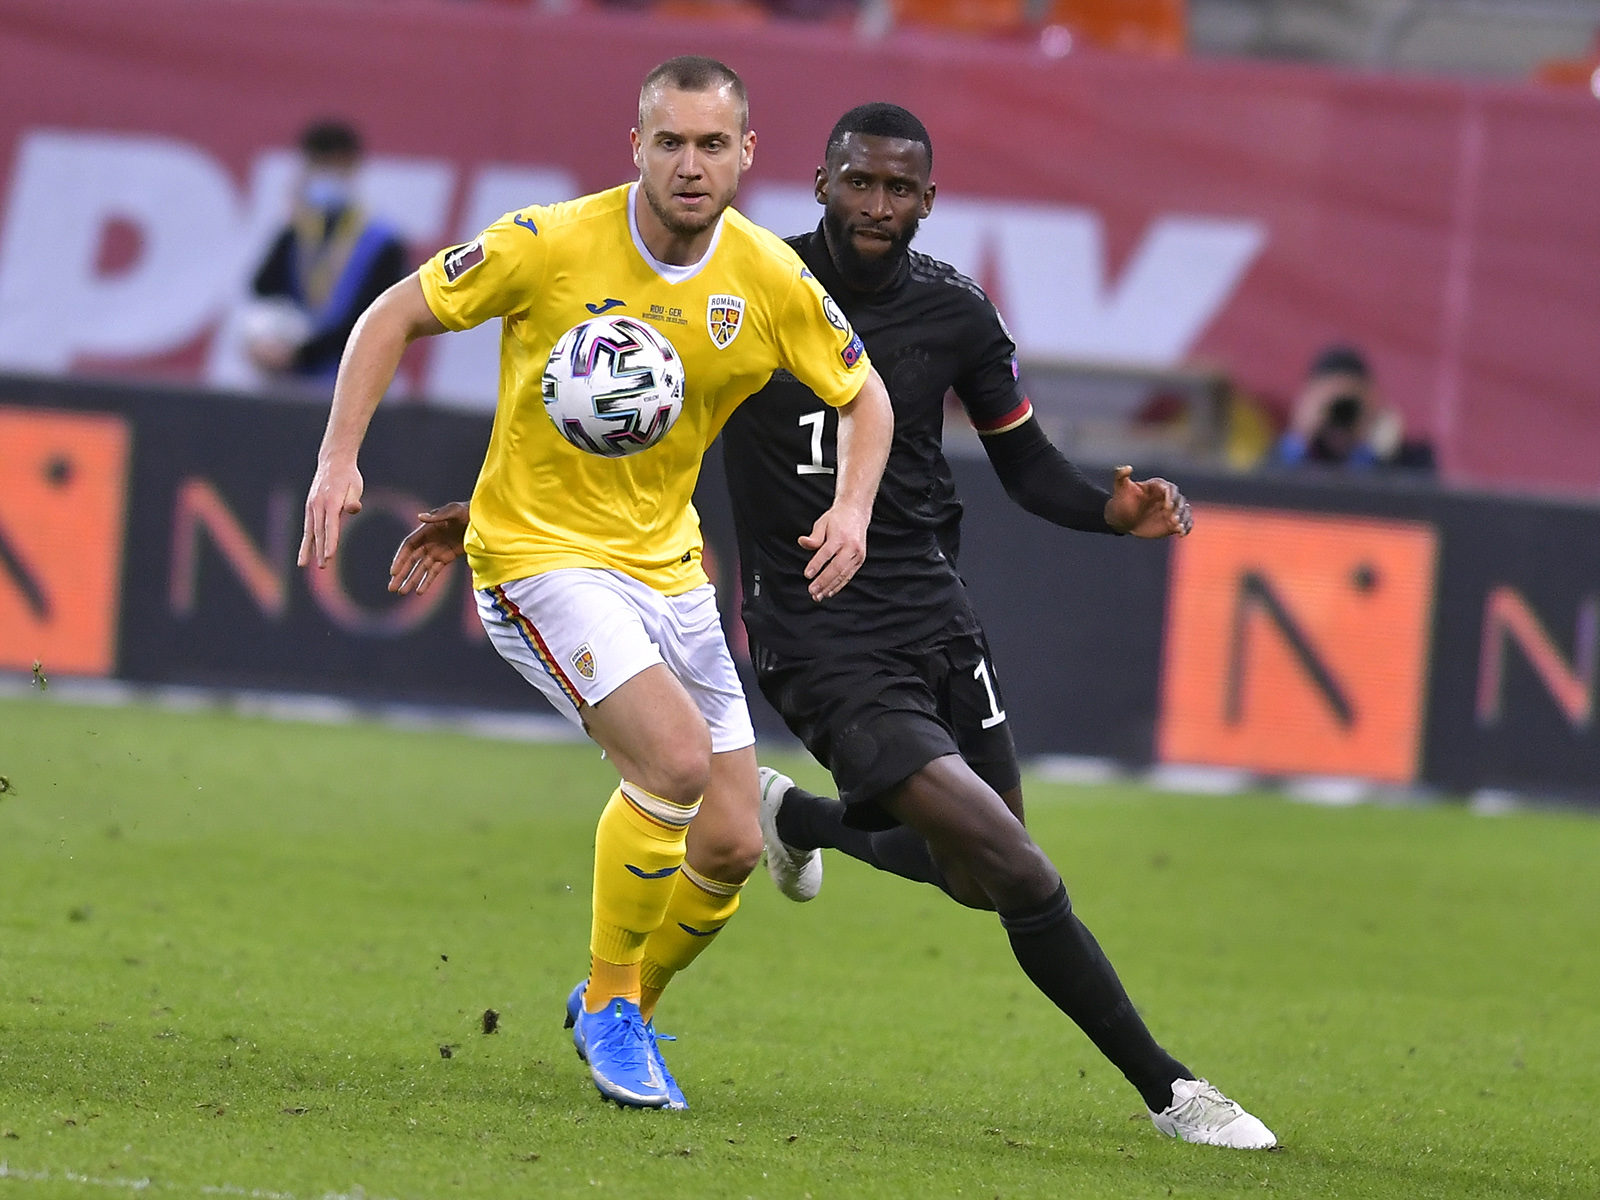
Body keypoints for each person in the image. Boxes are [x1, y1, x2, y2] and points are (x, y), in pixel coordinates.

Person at [390, 102, 1277, 1150]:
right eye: (859, 182)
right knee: (1023, 871)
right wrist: (488, 511)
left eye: (899, 189)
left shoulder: (957, 313)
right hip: (818, 634)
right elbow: (627, 421)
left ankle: (799, 820)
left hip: (936, 615)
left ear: (928, 202)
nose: (876, 205)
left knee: (975, 874)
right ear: (821, 183)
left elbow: (1026, 466)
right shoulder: (747, 283)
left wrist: (1108, 512)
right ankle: (1172, 1092)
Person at [300, 57, 895, 1111]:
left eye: (712, 145)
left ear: (746, 155)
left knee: (728, 843)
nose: (690, 165)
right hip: (536, 560)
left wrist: (851, 509)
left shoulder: (766, 279)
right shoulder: (548, 242)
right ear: (636, 148)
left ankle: (621, 1007)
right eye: (670, 142)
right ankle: (617, 1009)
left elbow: (867, 397)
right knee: (672, 761)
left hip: (667, 569)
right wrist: (339, 459)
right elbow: (391, 313)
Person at [246, 121, 408, 385]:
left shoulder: (382, 242)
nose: (325, 175)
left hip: (354, 381)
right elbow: (263, 292)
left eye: (335, 166)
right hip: (291, 381)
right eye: (318, 165)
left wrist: (301, 354)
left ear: (353, 167)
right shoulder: (296, 232)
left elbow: (378, 318)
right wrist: (262, 340)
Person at [1273, 344, 1434, 472]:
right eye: (1333, 405)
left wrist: (1380, 446)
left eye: (1349, 405)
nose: (1342, 413)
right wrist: (1299, 437)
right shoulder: (1286, 457)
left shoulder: (1411, 459)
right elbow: (1266, 489)